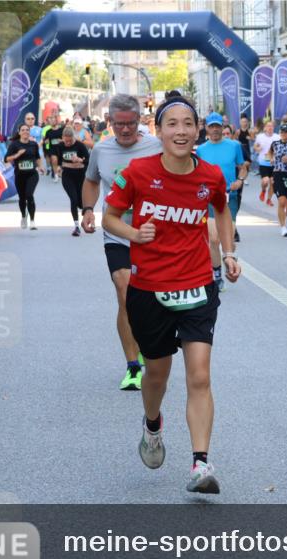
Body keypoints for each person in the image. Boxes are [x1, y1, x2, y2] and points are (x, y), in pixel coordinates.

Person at [102, 94, 240, 494]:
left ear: (198, 131)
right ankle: (152, 424)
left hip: (197, 285)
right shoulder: (138, 172)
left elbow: (221, 209)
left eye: (188, 124)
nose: (181, 131)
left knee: (199, 375)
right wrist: (133, 233)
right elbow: (110, 217)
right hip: (149, 290)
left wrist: (229, 253)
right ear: (159, 131)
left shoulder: (211, 175)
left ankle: (201, 463)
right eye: (172, 124)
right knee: (157, 375)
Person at [82, 94, 163, 391]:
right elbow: (91, 180)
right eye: (119, 124)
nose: (125, 129)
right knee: (124, 290)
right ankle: (132, 367)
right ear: (109, 122)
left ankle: (146, 346)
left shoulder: (156, 146)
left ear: (140, 120)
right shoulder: (101, 150)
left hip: (153, 234)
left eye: (130, 123)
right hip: (117, 232)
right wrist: (88, 209)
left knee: (150, 300)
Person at [197, 112, 247, 291]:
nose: (215, 129)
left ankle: (229, 258)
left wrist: (240, 180)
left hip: (229, 196)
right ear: (207, 128)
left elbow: (243, 168)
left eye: (218, 126)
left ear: (222, 127)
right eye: (212, 126)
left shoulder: (234, 146)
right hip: (210, 198)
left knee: (230, 237)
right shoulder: (201, 150)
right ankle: (217, 276)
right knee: (214, 238)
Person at [49, 127, 90, 236]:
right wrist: (58, 167)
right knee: (73, 199)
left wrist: (80, 160)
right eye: (66, 141)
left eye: (70, 141)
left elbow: (88, 160)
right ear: (62, 137)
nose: (67, 143)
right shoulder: (60, 146)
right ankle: (76, 226)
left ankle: (83, 210)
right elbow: (56, 159)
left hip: (80, 176)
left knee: (81, 203)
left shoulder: (80, 146)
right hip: (67, 176)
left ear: (73, 137)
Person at [5, 123, 45, 230]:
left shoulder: (33, 144)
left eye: (27, 130)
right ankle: (23, 216)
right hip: (20, 175)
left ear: (29, 132)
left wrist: (40, 166)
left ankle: (32, 220)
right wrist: (17, 155)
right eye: (23, 130)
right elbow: (6, 159)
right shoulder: (14, 145)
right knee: (22, 198)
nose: (25, 131)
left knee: (29, 195)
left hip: (32, 174)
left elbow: (37, 157)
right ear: (19, 132)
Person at [254, 121, 276, 206]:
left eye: (271, 126)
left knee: (273, 182)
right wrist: (258, 148)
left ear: (273, 127)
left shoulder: (277, 137)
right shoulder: (260, 136)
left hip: (274, 163)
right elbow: (255, 146)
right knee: (265, 181)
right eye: (268, 126)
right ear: (265, 128)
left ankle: (269, 199)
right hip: (263, 163)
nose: (270, 128)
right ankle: (263, 190)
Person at [42, 112, 65, 181]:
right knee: (54, 160)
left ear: (56, 121)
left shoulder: (62, 130)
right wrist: (46, 141)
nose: (52, 122)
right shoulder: (48, 131)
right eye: (51, 121)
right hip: (52, 148)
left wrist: (61, 140)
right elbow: (45, 140)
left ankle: (60, 171)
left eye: (53, 120)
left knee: (61, 162)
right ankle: (56, 175)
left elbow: (66, 139)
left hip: (61, 148)